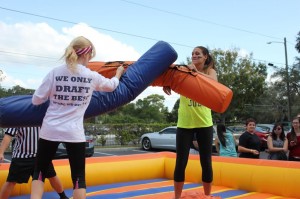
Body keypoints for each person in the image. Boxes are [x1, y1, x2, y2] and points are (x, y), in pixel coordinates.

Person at [30, 36, 124, 199]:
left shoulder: (55, 72)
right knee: (78, 176)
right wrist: (118, 74)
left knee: (39, 171)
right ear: (87, 54)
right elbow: (111, 86)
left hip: (50, 129)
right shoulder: (90, 76)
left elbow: (36, 99)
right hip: (74, 132)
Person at [163, 46, 217, 198]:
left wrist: (196, 72)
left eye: (198, 54)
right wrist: (167, 83)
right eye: (192, 54)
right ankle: (177, 196)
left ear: (205, 56)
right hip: (185, 123)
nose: (194, 55)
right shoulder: (185, 69)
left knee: (206, 161)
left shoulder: (210, 71)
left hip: (204, 123)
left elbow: (214, 83)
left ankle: (207, 195)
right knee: (181, 161)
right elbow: (171, 77)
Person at [0, 127, 68, 199]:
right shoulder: (18, 117)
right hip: (22, 156)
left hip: (41, 156)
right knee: (11, 181)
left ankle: (63, 196)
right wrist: (1, 152)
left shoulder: (42, 117)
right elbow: (8, 135)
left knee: (52, 176)